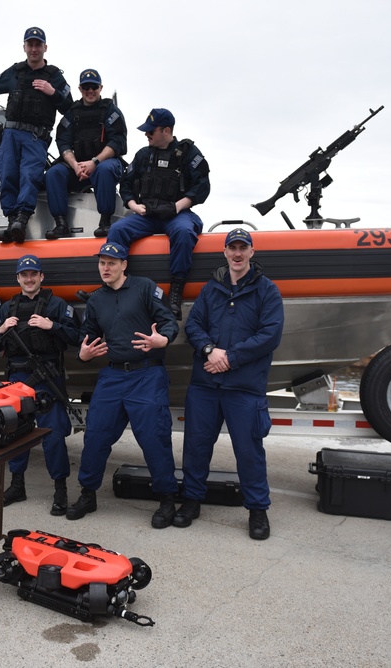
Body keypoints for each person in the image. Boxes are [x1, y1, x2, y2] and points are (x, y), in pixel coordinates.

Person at [173, 228, 284, 540]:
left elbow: (270, 335)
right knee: (195, 446)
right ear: (224, 252)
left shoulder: (267, 291)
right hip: (205, 386)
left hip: (244, 387)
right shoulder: (212, 289)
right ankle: (191, 501)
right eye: (232, 248)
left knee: (248, 450)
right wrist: (210, 350)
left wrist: (230, 358)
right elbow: (193, 325)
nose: (237, 253)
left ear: (251, 252)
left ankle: (258, 510)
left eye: (242, 248)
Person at [67, 242, 180, 529]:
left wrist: (162, 339)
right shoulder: (95, 300)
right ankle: (88, 494)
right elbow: (87, 337)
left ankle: (167, 498)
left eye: (112, 263)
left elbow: (168, 321)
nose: (106, 268)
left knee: (154, 438)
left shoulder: (144, 288)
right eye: (102, 263)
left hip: (147, 375)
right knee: (95, 436)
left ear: (124, 265)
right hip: (113, 375)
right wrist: (83, 355)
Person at [0, 26, 72, 243]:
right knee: (7, 174)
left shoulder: (54, 76)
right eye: (30, 44)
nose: (34, 49)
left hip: (36, 137)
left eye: (38, 45)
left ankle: (22, 220)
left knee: (29, 175)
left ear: (45, 47)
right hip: (11, 134)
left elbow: (69, 108)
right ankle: (11, 222)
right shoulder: (15, 72)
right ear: (24, 47)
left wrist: (52, 92)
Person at [0, 254, 80, 514]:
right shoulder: (7, 309)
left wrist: (53, 326)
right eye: (24, 275)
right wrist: (2, 328)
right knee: (15, 433)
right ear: (18, 278)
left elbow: (77, 337)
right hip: (16, 381)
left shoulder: (58, 306)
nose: (29, 279)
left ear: (41, 277)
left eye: (33, 274)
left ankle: (60, 490)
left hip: (47, 379)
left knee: (53, 435)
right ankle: (17, 485)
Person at [106, 108, 211, 319]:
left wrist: (178, 206)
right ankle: (114, 289)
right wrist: (133, 205)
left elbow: (203, 186)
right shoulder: (144, 155)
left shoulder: (189, 152)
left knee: (184, 232)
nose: (147, 134)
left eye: (151, 131)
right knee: (117, 230)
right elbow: (125, 184)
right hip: (147, 215)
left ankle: (175, 293)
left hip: (176, 213)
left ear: (166, 130)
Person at [43, 69, 127, 240]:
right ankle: (61, 224)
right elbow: (63, 142)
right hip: (78, 167)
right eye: (86, 87)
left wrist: (94, 162)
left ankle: (105, 222)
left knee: (104, 170)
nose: (90, 91)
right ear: (80, 89)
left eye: (94, 87)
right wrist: (75, 165)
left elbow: (117, 142)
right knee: (53, 173)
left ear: (100, 88)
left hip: (104, 164)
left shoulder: (111, 111)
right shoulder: (72, 113)